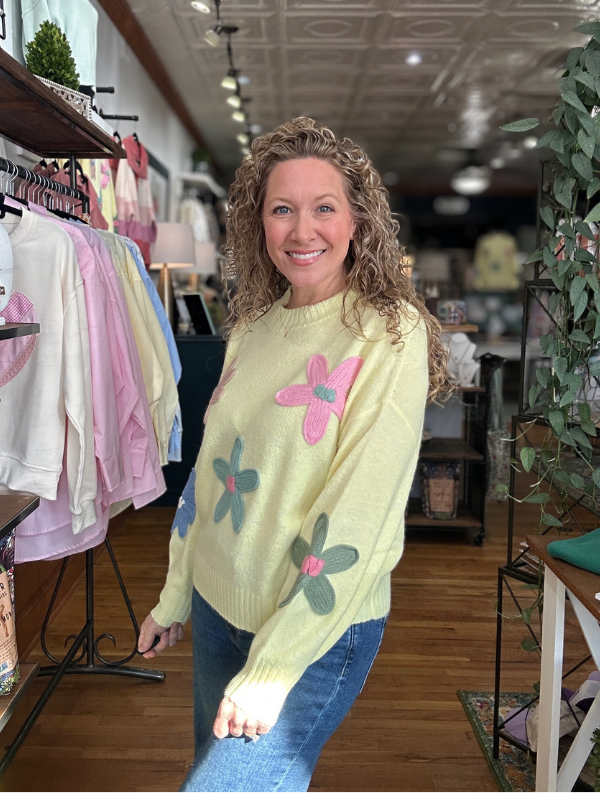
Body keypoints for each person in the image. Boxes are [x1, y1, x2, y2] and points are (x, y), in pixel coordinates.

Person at [137, 117, 448, 792]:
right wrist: (175, 595)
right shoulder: (254, 326)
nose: (302, 231)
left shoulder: (389, 334)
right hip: (218, 604)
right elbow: (210, 476)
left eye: (324, 208)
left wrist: (275, 666)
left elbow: (362, 513)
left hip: (315, 628)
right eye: (282, 209)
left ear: (358, 221)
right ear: (260, 224)